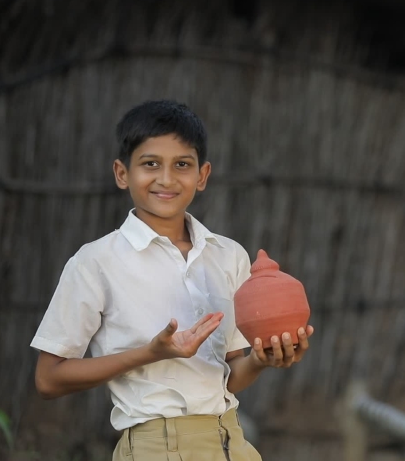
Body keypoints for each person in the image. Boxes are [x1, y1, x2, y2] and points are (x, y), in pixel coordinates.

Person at [30, 100, 315, 461]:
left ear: (202, 175)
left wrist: (262, 360)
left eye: (182, 164)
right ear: (122, 173)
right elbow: (49, 379)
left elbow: (229, 376)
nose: (166, 179)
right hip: (158, 447)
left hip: (232, 442)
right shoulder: (95, 262)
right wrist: (150, 354)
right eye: (150, 164)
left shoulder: (228, 256)